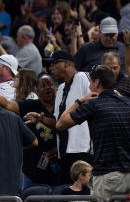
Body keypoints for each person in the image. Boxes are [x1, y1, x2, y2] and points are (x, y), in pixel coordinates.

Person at [56, 65, 130, 200]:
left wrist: (79, 101)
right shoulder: (128, 103)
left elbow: (60, 123)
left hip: (107, 177)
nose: (89, 85)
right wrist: (120, 97)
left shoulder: (93, 105)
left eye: (91, 81)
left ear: (97, 83)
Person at [0, 73, 59, 189]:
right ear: (37, 90)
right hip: (31, 171)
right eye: (43, 85)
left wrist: (59, 149)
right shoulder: (30, 105)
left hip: (58, 170)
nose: (47, 88)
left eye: (50, 84)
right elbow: (8, 104)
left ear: (55, 87)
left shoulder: (62, 106)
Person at [48, 50, 92, 183]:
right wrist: (42, 119)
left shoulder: (83, 77)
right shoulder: (61, 88)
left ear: (68, 63)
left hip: (82, 150)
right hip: (64, 150)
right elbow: (58, 122)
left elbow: (94, 107)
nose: (51, 68)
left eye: (54, 63)